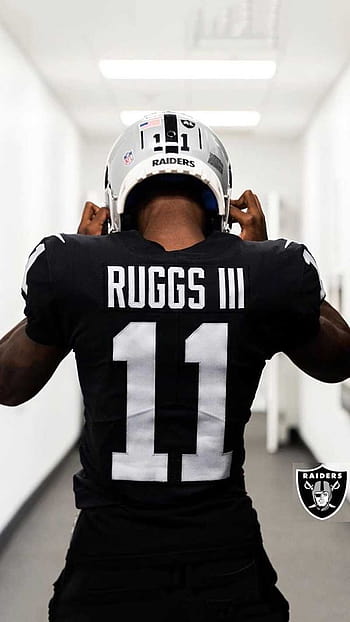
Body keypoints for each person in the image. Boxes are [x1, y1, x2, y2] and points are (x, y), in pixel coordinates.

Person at [0, 111, 349, 622]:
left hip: (107, 562)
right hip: (224, 558)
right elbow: (340, 359)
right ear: (217, 196)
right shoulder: (271, 271)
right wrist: (262, 261)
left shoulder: (72, 269)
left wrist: (77, 276)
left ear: (121, 194)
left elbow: (8, 384)